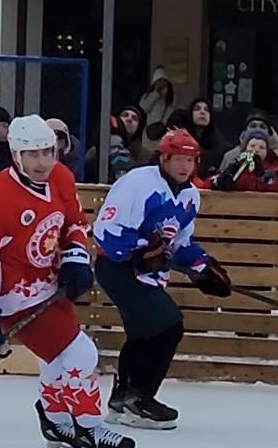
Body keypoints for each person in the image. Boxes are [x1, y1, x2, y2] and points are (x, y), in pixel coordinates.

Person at [0, 114, 134, 448]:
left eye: (48, 152)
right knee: (81, 353)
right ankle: (90, 427)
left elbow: (74, 224)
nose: (43, 162)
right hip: (14, 298)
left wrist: (76, 257)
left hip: (47, 286)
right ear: (15, 155)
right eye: (32, 154)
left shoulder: (61, 178)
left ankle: (56, 420)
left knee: (57, 357)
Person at [91, 129, 234, 430]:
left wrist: (203, 268)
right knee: (168, 325)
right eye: (179, 159)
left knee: (144, 333)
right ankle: (140, 398)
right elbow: (107, 228)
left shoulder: (190, 196)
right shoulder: (137, 182)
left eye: (191, 160)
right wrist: (140, 252)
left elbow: (179, 243)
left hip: (149, 272)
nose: (185, 166)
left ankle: (122, 400)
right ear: (164, 158)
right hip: (116, 266)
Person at [223, 126, 278, 192]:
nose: (256, 150)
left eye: (262, 147)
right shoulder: (237, 167)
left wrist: (261, 177)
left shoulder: (275, 170)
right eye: (252, 146)